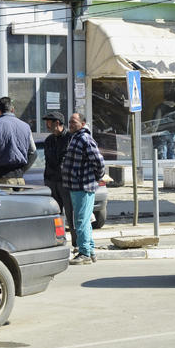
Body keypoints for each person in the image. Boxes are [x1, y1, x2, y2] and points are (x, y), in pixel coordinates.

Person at [62, 113, 106, 265]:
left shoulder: (84, 138)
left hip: (83, 186)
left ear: (83, 123)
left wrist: (97, 176)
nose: (71, 124)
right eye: (70, 122)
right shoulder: (75, 137)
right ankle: (90, 251)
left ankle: (84, 253)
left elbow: (99, 162)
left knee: (80, 221)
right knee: (83, 221)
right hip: (76, 186)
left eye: (74, 122)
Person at [0, 96, 36, 184]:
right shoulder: (25, 126)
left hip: (0, 178)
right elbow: (34, 153)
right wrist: (22, 170)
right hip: (19, 178)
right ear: (12, 110)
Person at [42, 111, 76, 248]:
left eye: (49, 122)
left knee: (71, 215)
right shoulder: (48, 140)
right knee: (56, 215)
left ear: (57, 123)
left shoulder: (70, 138)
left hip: (66, 183)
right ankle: (60, 241)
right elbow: (47, 161)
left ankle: (77, 244)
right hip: (52, 182)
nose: (46, 125)